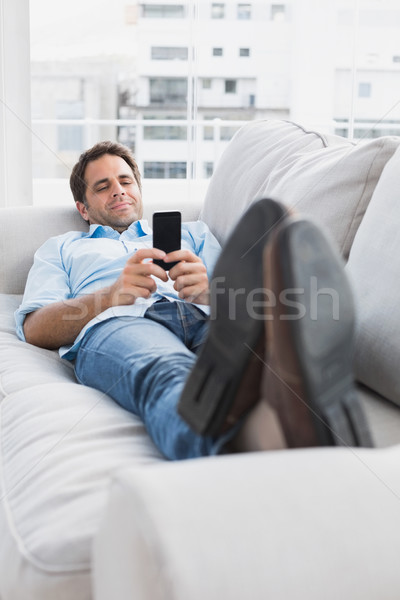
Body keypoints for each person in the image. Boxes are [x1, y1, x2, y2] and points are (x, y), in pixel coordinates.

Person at [15, 141, 372, 460]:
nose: (119, 191)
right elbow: (34, 327)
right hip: (121, 322)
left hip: (205, 318)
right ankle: (246, 441)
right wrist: (111, 296)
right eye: (103, 187)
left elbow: (238, 300)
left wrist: (208, 291)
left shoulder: (194, 232)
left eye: (126, 181)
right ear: (83, 208)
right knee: (169, 372)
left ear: (139, 189)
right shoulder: (62, 247)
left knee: (263, 356)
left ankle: (288, 404)